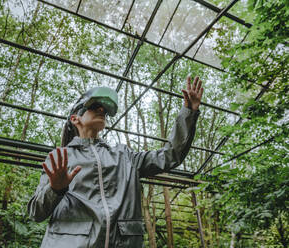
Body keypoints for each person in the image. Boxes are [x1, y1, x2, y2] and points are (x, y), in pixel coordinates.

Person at [28, 76, 203, 248]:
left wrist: (188, 112)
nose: (102, 111)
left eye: (104, 110)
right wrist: (55, 189)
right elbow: (36, 213)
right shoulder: (59, 158)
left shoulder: (124, 156)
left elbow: (170, 155)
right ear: (75, 118)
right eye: (95, 107)